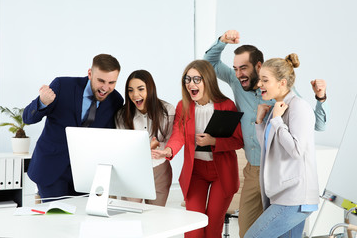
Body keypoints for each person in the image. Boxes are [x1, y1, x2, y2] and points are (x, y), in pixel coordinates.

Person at [204, 30, 328, 237]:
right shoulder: (238, 83)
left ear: (259, 67)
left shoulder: (289, 100)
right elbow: (211, 64)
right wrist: (221, 42)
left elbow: (311, 130)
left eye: (243, 68)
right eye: (235, 68)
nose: (238, 74)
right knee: (247, 230)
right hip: (257, 172)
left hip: (285, 179)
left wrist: (320, 99)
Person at [152, 60, 244, 238]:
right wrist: (168, 151)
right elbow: (178, 134)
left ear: (208, 80)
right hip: (196, 172)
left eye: (196, 79)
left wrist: (214, 141)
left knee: (212, 228)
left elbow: (238, 141)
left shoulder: (227, 105)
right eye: (187, 79)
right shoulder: (183, 105)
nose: (190, 84)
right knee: (193, 228)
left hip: (221, 173)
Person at [23, 54, 124, 201]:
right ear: (90, 73)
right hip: (51, 169)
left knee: (83, 220)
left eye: (111, 82)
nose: (105, 88)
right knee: (57, 218)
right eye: (101, 80)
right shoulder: (62, 86)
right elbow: (27, 118)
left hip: (86, 175)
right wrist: (42, 102)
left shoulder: (115, 100)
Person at [244, 53, 319, 237]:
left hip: (294, 198)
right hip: (280, 194)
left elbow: (296, 150)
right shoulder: (277, 107)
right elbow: (269, 149)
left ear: (282, 83)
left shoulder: (298, 106)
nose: (259, 84)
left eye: (265, 80)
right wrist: (260, 123)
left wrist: (277, 121)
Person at [115, 69, 174, 206]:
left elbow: (169, 143)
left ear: (150, 88)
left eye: (140, 89)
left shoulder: (168, 110)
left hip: (159, 171)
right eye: (130, 90)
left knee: (155, 218)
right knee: (129, 216)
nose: (135, 95)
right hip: (132, 172)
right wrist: (148, 148)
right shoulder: (121, 115)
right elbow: (125, 150)